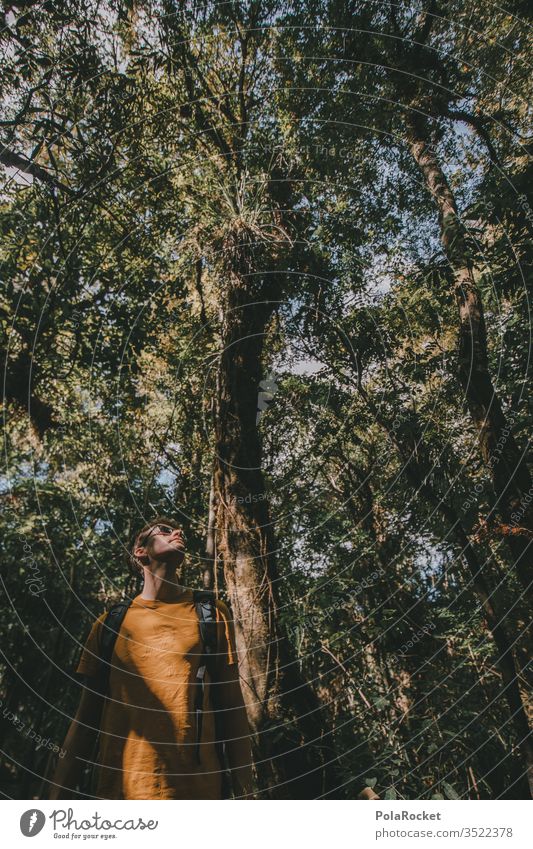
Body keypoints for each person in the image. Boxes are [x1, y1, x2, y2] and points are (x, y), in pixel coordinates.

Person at [48, 517, 254, 800]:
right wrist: (55, 801)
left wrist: (247, 794)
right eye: (166, 530)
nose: (178, 532)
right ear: (140, 550)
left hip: (198, 794)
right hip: (120, 795)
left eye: (178, 529)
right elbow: (85, 720)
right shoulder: (110, 624)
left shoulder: (211, 614)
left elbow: (232, 710)